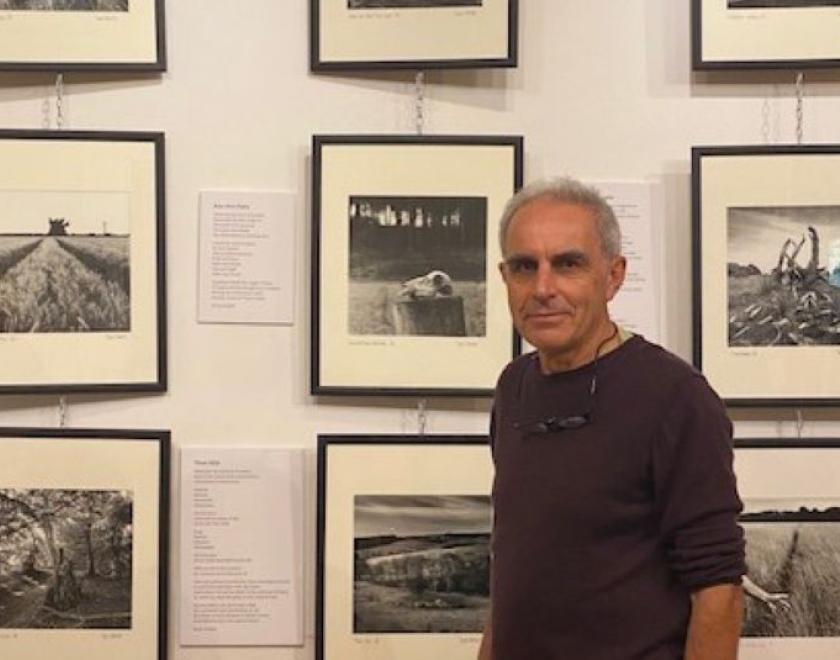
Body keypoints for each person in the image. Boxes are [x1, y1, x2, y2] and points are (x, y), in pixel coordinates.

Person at [478, 178, 746, 660]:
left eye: (568, 264)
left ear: (613, 276)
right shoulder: (513, 387)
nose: (542, 288)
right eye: (524, 266)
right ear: (504, 278)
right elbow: (514, 572)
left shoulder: (674, 397)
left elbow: (718, 590)